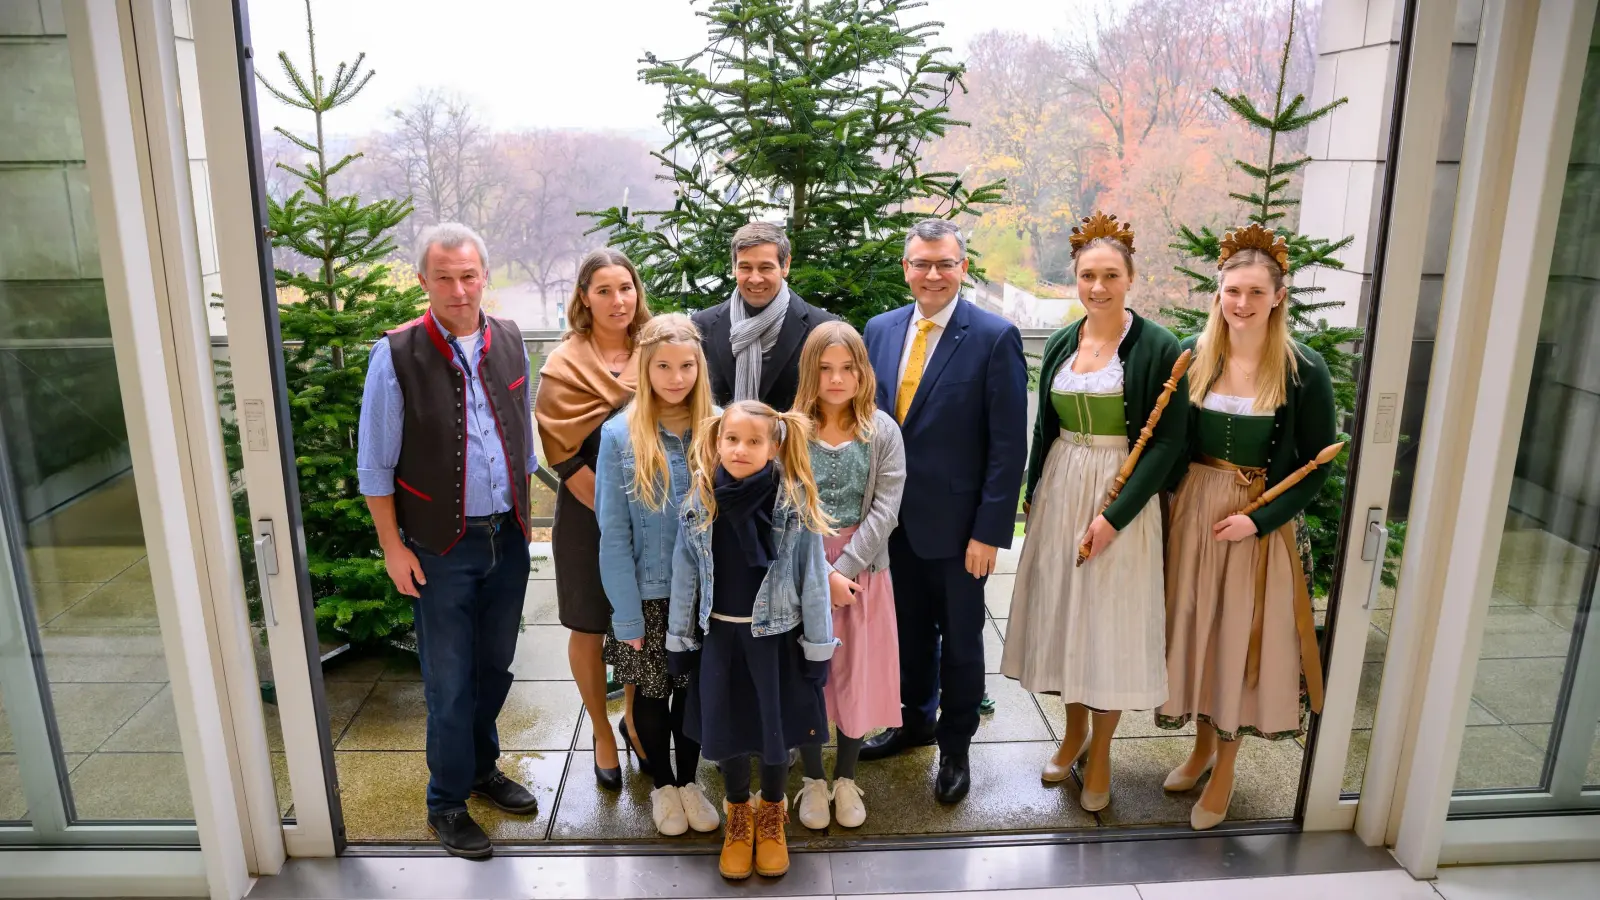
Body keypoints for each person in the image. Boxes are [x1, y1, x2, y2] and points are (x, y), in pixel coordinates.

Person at [357, 223, 539, 859]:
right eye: (444, 277)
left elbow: (526, 442)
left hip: (507, 539)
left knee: (494, 668)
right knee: (450, 681)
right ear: (423, 281)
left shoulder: (512, 339)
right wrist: (393, 547)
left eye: (469, 276)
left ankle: (481, 769)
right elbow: (375, 465)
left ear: (485, 276)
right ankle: (446, 802)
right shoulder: (398, 354)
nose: (459, 290)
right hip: (438, 545)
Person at [999, 212, 1188, 813]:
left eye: (1110, 275)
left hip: (1118, 495)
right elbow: (1044, 426)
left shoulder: (1158, 347)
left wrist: (1116, 516)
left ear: (1131, 278)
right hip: (1061, 484)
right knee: (1066, 612)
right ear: (1074, 280)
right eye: (1087, 276)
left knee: (1108, 619)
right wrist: (1034, 489)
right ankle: (1072, 729)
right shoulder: (1062, 340)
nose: (1098, 287)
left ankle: (1102, 747)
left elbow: (1167, 442)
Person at [1156, 224, 1336, 830]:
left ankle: (1226, 766)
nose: (1242, 303)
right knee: (1199, 630)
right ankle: (1202, 747)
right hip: (1194, 515)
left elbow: (1316, 467)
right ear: (1218, 291)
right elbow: (1169, 444)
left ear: (1278, 296)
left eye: (1256, 292)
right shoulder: (1194, 354)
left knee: (1239, 638)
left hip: (1257, 526)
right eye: (1232, 290)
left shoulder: (1303, 369)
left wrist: (1258, 520)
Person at [858, 219, 1028, 805]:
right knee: (903, 633)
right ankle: (912, 723)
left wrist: (989, 532)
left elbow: (1009, 448)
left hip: (959, 532)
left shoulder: (992, 336)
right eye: (922, 263)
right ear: (906, 268)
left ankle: (955, 745)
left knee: (959, 640)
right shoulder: (878, 330)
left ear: (962, 268)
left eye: (945, 264)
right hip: (888, 524)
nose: (933, 274)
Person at [666, 401, 836, 880]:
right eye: (732, 439)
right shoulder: (701, 500)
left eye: (754, 441)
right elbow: (685, 575)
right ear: (717, 442)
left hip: (775, 641)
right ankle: (739, 811)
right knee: (729, 731)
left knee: (774, 734)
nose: (740, 449)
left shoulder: (792, 502)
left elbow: (814, 581)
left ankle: (772, 811)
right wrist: (679, 641)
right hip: (722, 637)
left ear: (775, 446)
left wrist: (818, 649)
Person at [595, 314, 721, 837]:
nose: (675, 377)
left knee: (692, 694)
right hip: (647, 597)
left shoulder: (719, 427)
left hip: (705, 597)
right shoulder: (620, 436)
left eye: (686, 366)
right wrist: (626, 612)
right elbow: (614, 533)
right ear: (645, 369)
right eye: (663, 367)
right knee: (651, 694)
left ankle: (691, 781)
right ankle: (664, 786)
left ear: (700, 367)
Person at [535, 249, 651, 794]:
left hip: (651, 513)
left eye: (624, 288)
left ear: (637, 291)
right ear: (584, 296)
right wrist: (608, 510)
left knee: (637, 623)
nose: (616, 300)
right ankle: (602, 734)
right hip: (584, 513)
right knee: (587, 624)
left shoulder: (656, 351)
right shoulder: (564, 361)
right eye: (603, 290)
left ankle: (633, 719)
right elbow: (560, 450)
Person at [790, 322, 906, 829]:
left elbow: (886, 509)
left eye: (846, 368)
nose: (836, 379)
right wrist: (820, 573)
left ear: (863, 372)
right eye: (824, 369)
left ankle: (846, 775)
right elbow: (788, 507)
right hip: (802, 566)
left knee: (857, 672)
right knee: (809, 676)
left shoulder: (882, 430)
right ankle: (813, 777)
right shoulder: (791, 429)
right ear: (809, 374)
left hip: (864, 570)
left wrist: (844, 569)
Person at [692, 221, 837, 410]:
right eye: (745, 267)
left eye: (765, 268)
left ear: (785, 266)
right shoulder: (702, 327)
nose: (755, 278)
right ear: (734, 267)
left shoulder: (821, 328)